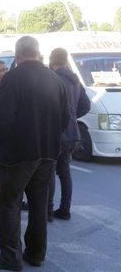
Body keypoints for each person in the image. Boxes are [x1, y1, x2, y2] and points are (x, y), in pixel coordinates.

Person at [0, 36, 69, 271]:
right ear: (37, 52)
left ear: (17, 54)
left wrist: (2, 146)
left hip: (17, 155)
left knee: (7, 203)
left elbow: (3, 121)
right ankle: (35, 254)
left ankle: (10, 257)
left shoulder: (12, 78)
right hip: (47, 153)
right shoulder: (55, 79)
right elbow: (65, 118)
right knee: (39, 204)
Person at [48, 48, 91, 221]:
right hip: (73, 133)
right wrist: (73, 117)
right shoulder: (75, 80)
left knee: (49, 172)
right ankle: (65, 210)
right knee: (65, 173)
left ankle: (48, 211)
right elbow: (86, 105)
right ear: (65, 60)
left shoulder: (53, 79)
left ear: (52, 60)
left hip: (56, 133)